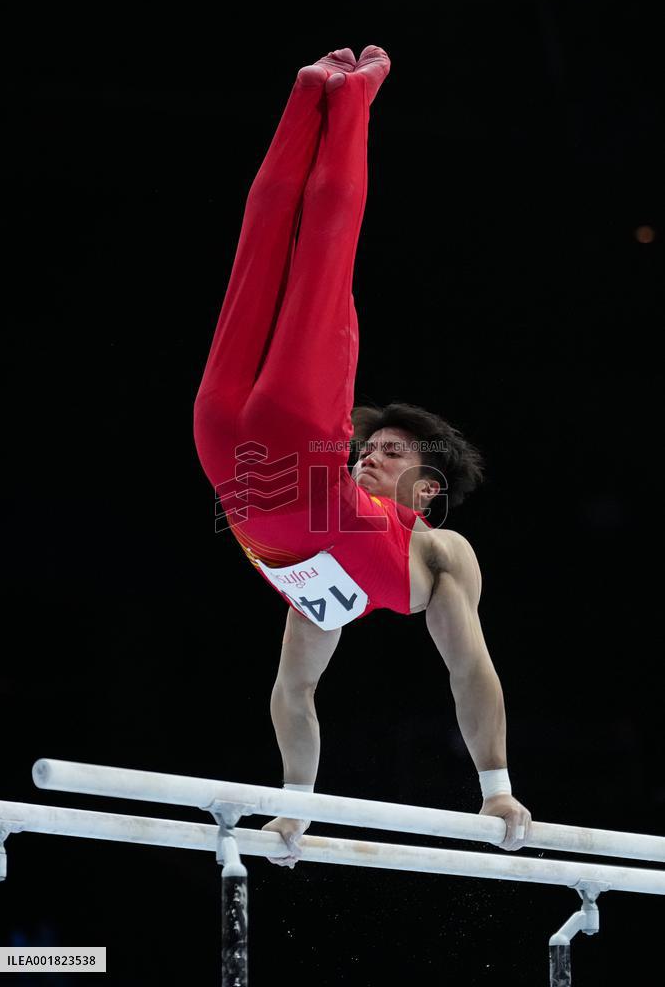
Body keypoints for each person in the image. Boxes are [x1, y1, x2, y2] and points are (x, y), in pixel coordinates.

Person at [192, 46, 532, 869]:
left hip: (224, 458)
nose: (372, 453)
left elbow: (461, 671)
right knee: (303, 257)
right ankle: (335, 97)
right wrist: (297, 804)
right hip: (289, 456)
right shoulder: (334, 510)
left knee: (270, 254)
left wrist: (494, 786)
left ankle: (319, 93)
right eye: (370, 444)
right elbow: (298, 691)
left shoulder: (432, 555)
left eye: (392, 452)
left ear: (429, 486)